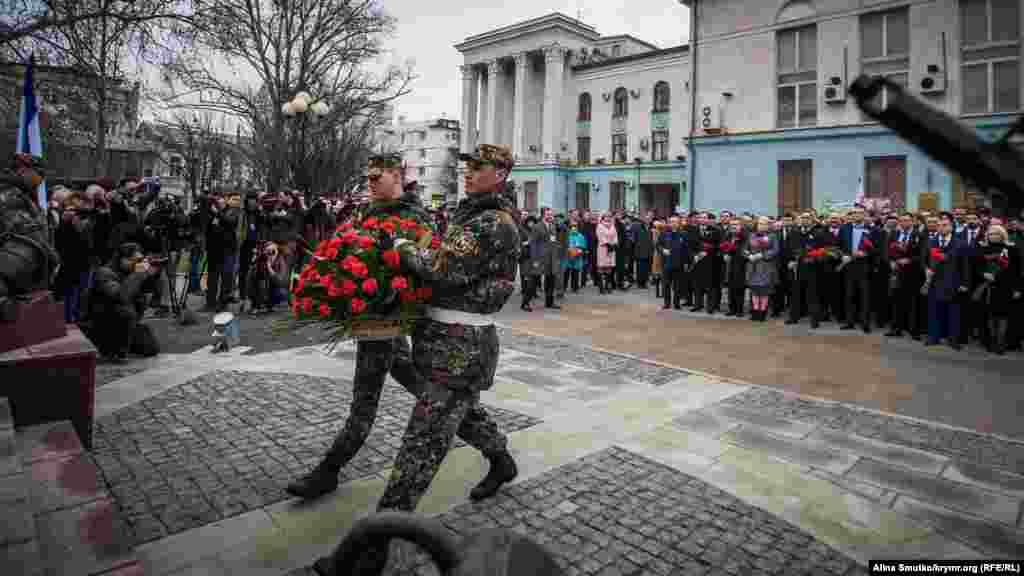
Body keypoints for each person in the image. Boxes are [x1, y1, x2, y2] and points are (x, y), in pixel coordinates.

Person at [312, 144, 521, 575]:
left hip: (459, 351)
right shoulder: (471, 216)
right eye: (465, 165)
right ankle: (501, 459)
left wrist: (402, 246)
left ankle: (368, 555)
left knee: (417, 452)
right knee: (459, 418)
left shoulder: (491, 223)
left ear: (499, 173)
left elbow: (441, 268)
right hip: (445, 345)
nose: (467, 172)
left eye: (477, 167)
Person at [286, 153, 497, 500]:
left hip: (397, 325)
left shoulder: (416, 219)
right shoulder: (362, 214)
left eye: (376, 176)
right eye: (367, 176)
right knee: (422, 398)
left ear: (397, 176)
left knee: (377, 401)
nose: (369, 182)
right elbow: (344, 257)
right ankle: (497, 452)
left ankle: (328, 471)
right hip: (374, 327)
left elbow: (431, 272)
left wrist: (392, 290)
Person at [83, 243, 161, 360]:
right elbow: (121, 297)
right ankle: (113, 350)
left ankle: (122, 344)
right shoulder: (104, 273)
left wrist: (152, 275)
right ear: (122, 259)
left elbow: (147, 296)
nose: (137, 263)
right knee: (125, 311)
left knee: (151, 347)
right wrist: (138, 274)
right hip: (103, 324)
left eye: (139, 260)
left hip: (126, 323)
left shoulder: (131, 273)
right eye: (134, 260)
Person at [744, 217, 779, 321]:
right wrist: (749, 255)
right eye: (760, 224)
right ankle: (755, 312)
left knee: (764, 291)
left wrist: (762, 255)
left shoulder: (772, 236)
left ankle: (762, 313)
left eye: (764, 224)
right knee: (754, 290)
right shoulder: (751, 235)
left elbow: (775, 250)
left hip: (766, 266)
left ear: (768, 225)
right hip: (753, 266)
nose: (762, 226)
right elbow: (745, 249)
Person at [595, 213, 618, 294]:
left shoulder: (612, 226)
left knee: (609, 267)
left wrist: (614, 243)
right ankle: (601, 287)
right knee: (601, 266)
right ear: (603, 217)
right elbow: (600, 236)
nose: (608, 218)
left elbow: (615, 235)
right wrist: (607, 243)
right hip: (603, 248)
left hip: (611, 249)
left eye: (609, 216)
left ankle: (607, 286)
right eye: (606, 216)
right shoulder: (600, 226)